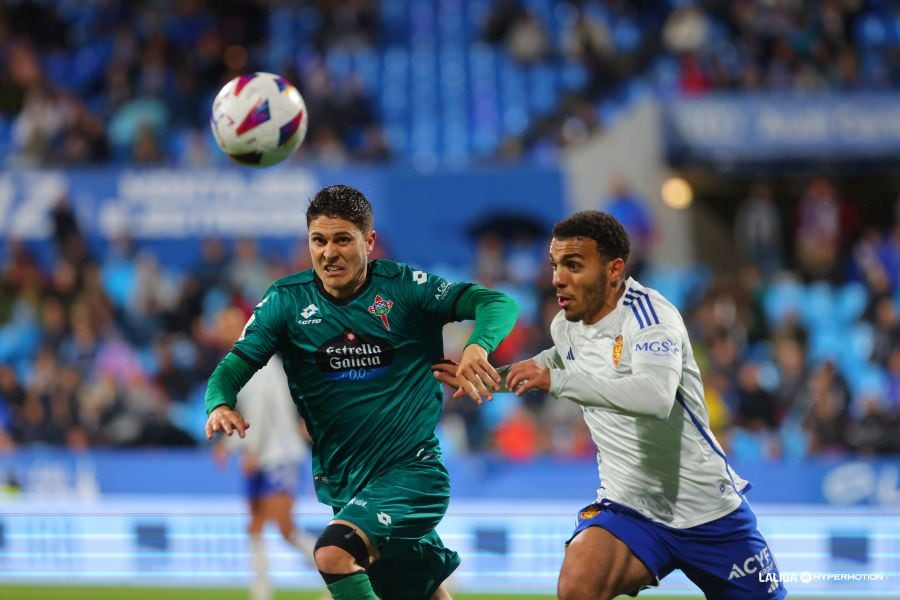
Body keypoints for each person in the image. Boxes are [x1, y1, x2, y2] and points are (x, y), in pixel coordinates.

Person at [204, 184, 519, 600]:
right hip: (349, 487)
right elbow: (234, 366)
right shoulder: (286, 302)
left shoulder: (405, 288)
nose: (328, 253)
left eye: (341, 240)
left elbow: (496, 303)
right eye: (318, 240)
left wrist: (476, 347)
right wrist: (219, 403)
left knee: (333, 554)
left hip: (412, 474)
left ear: (368, 241)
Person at [452, 211, 787, 599]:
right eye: (555, 265)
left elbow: (655, 397)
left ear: (614, 270)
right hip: (630, 507)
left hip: (707, 510)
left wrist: (557, 382)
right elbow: (555, 360)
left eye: (574, 265)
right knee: (578, 585)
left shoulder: (650, 317)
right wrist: (490, 376)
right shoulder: (566, 324)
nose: (558, 278)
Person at [212, 304, 322, 600]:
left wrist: (249, 450)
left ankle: (337, 572)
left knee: (284, 527)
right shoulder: (250, 360)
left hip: (277, 456)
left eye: (227, 325)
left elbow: (259, 414)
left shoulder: (254, 361)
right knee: (255, 524)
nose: (221, 332)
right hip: (266, 453)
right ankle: (260, 591)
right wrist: (228, 445)